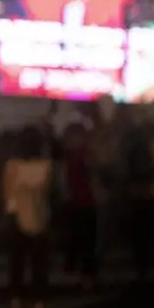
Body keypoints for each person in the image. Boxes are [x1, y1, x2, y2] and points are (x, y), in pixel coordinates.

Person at [3, 125, 54, 308]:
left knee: (17, 263)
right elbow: (49, 193)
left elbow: (8, 194)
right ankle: (38, 306)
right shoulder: (46, 167)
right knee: (39, 264)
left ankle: (16, 304)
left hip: (17, 218)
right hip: (40, 218)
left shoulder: (12, 165)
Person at [61, 122, 100, 291]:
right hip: (80, 202)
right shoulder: (78, 155)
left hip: (84, 202)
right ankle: (84, 276)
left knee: (84, 241)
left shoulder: (83, 155)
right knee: (81, 241)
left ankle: (84, 276)